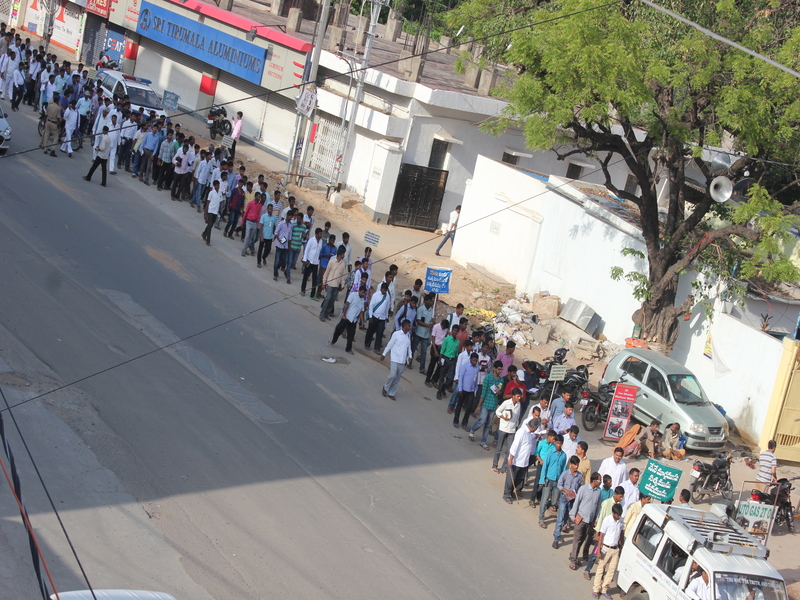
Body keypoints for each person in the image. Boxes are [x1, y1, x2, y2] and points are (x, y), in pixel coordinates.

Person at [569, 472, 602, 570]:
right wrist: (572, 515)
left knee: (582, 539)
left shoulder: (598, 491)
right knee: (577, 539)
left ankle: (574, 555)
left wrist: (596, 519)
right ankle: (573, 560)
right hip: (581, 518)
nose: (600, 482)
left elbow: (598, 506)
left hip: (590, 521)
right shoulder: (583, 489)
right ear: (594, 480)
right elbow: (577, 502)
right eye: (599, 480)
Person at [592, 503, 624, 599]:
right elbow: (601, 535)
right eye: (617, 515)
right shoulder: (607, 520)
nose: (619, 517)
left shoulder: (620, 521)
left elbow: (622, 532)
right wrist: (598, 550)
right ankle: (596, 589)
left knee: (612, 570)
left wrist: (621, 545)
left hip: (615, 549)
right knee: (601, 568)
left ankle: (604, 589)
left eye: (620, 515)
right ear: (613, 513)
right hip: (606, 548)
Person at [503, 418, 539, 504]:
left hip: (524, 461)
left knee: (519, 478)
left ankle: (512, 492)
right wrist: (510, 459)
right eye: (536, 427)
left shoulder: (530, 433)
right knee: (511, 478)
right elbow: (515, 446)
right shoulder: (521, 432)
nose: (537, 429)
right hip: (516, 461)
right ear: (532, 427)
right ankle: (506, 494)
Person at [470, 360, 503, 449]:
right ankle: (473, 429)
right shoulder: (488, 378)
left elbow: (500, 393)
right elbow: (483, 392)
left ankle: (483, 441)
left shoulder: (501, 380)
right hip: (486, 403)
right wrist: (479, 405)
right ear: (494, 369)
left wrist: (499, 393)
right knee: (482, 421)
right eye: (499, 369)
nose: (500, 371)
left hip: (493, 405)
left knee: (488, 425)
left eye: (501, 370)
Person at [553, 455, 584, 548]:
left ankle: (559, 530)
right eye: (574, 465)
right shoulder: (565, 474)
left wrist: (576, 494)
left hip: (572, 500)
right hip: (564, 498)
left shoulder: (579, 476)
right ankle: (556, 538)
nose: (576, 467)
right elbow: (559, 484)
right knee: (560, 517)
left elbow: (580, 487)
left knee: (567, 517)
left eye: (577, 465)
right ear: (571, 464)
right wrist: (566, 491)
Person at [538, 433, 566, 528]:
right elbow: (545, 467)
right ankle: (541, 519)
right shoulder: (550, 453)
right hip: (548, 480)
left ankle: (543, 508)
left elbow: (563, 470)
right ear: (555, 443)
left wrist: (562, 482)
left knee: (554, 501)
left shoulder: (564, 455)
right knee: (544, 499)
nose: (558, 445)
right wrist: (542, 480)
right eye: (557, 443)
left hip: (557, 482)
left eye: (560, 443)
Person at [492, 388, 523, 473]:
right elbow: (498, 411)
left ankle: (504, 469)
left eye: (520, 396)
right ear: (513, 396)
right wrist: (502, 416)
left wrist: (516, 428)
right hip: (503, 428)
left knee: (509, 450)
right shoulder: (506, 403)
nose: (519, 398)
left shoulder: (518, 405)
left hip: (512, 430)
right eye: (518, 396)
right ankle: (495, 465)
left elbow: (517, 418)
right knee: (499, 448)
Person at [380, 320, 412, 400]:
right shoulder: (396, 334)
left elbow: (409, 348)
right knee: (392, 375)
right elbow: (390, 344)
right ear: (405, 326)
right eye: (409, 326)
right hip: (395, 358)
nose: (410, 327)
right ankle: (386, 387)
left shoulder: (408, 336)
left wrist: (410, 356)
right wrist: (384, 354)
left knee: (397, 378)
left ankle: (391, 392)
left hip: (402, 360)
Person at [330, 285, 366, 355]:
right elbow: (347, 304)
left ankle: (348, 349)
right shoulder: (353, 295)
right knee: (338, 329)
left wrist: (362, 321)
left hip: (354, 320)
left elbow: (361, 312)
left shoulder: (362, 300)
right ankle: (334, 340)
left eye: (364, 293)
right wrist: (344, 314)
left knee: (351, 335)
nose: (363, 294)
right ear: (359, 291)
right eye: (362, 292)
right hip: (347, 317)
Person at [319, 246, 347, 321]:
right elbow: (327, 272)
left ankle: (327, 314)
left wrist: (342, 284)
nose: (344, 256)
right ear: (340, 255)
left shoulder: (343, 264)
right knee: (328, 299)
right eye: (343, 254)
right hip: (330, 283)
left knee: (332, 300)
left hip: (337, 285)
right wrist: (324, 282)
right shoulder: (331, 261)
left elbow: (343, 275)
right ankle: (322, 314)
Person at [453, 353, 480, 430]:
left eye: (476, 361)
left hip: (471, 390)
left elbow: (476, 379)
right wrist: (460, 389)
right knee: (459, 406)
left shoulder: (477, 368)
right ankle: (456, 421)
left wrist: (476, 389)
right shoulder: (464, 366)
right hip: (463, 389)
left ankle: (464, 423)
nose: (475, 362)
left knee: (469, 407)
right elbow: (460, 378)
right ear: (470, 359)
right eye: (474, 360)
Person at [365, 282, 391, 352]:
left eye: (385, 290)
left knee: (380, 333)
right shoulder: (375, 295)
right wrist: (370, 316)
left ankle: (377, 348)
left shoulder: (387, 297)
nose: (384, 291)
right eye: (383, 290)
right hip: (374, 316)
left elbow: (387, 308)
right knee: (370, 331)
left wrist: (386, 317)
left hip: (382, 318)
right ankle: (367, 344)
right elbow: (371, 306)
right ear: (381, 289)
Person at [436, 325, 461, 400]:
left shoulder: (458, 341)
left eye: (456, 331)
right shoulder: (447, 339)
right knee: (442, 377)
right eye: (454, 330)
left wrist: (456, 362)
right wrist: (440, 360)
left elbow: (456, 353)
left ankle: (443, 388)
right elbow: (442, 349)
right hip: (445, 359)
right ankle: (439, 391)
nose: (455, 332)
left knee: (450, 378)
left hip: (452, 361)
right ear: (452, 330)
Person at [411, 293, 434, 373]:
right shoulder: (420, 309)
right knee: (413, 348)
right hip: (418, 332)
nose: (430, 302)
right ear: (425, 301)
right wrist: (428, 325)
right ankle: (409, 362)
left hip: (426, 334)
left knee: (423, 352)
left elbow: (432, 321)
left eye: (430, 301)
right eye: (428, 301)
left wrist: (432, 323)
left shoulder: (432, 311)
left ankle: (422, 368)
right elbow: (419, 321)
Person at [301, 228, 324, 299]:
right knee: (305, 276)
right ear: (316, 234)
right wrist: (304, 260)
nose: (321, 235)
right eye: (320, 234)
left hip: (316, 262)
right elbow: (307, 250)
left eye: (321, 234)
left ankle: (312, 294)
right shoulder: (311, 240)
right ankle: (303, 290)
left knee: (314, 278)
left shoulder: (321, 241)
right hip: (309, 261)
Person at [273, 210, 295, 283]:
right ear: (287, 216)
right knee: (277, 260)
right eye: (290, 216)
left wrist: (289, 246)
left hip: (285, 246)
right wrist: (278, 239)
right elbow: (276, 232)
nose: (290, 218)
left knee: (284, 261)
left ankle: (276, 268)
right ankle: (275, 274)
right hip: (279, 245)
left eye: (291, 217)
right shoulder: (281, 223)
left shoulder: (291, 225)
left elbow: (289, 237)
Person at [202, 180, 223, 246]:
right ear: (214, 186)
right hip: (211, 210)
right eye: (216, 185)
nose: (218, 186)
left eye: (218, 185)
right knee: (210, 224)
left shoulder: (220, 192)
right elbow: (208, 203)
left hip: (216, 211)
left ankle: (204, 233)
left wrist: (220, 211)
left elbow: (220, 202)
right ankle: (208, 240)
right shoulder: (211, 193)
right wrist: (206, 213)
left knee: (210, 225)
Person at [40, 92, 61, 156]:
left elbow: (45, 115)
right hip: (54, 123)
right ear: (57, 101)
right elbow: (58, 118)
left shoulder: (49, 106)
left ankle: (45, 149)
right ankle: (53, 150)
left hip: (48, 121)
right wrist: (59, 126)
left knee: (46, 135)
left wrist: (44, 123)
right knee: (56, 137)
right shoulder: (57, 108)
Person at [257, 203, 278, 269]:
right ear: (267, 209)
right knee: (260, 249)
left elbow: (274, 226)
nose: (270, 210)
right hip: (263, 235)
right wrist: (261, 235)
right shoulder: (263, 216)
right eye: (269, 209)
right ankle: (259, 262)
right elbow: (261, 226)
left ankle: (264, 257)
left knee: (268, 249)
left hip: (269, 236)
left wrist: (274, 235)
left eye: (271, 209)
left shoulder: (274, 217)